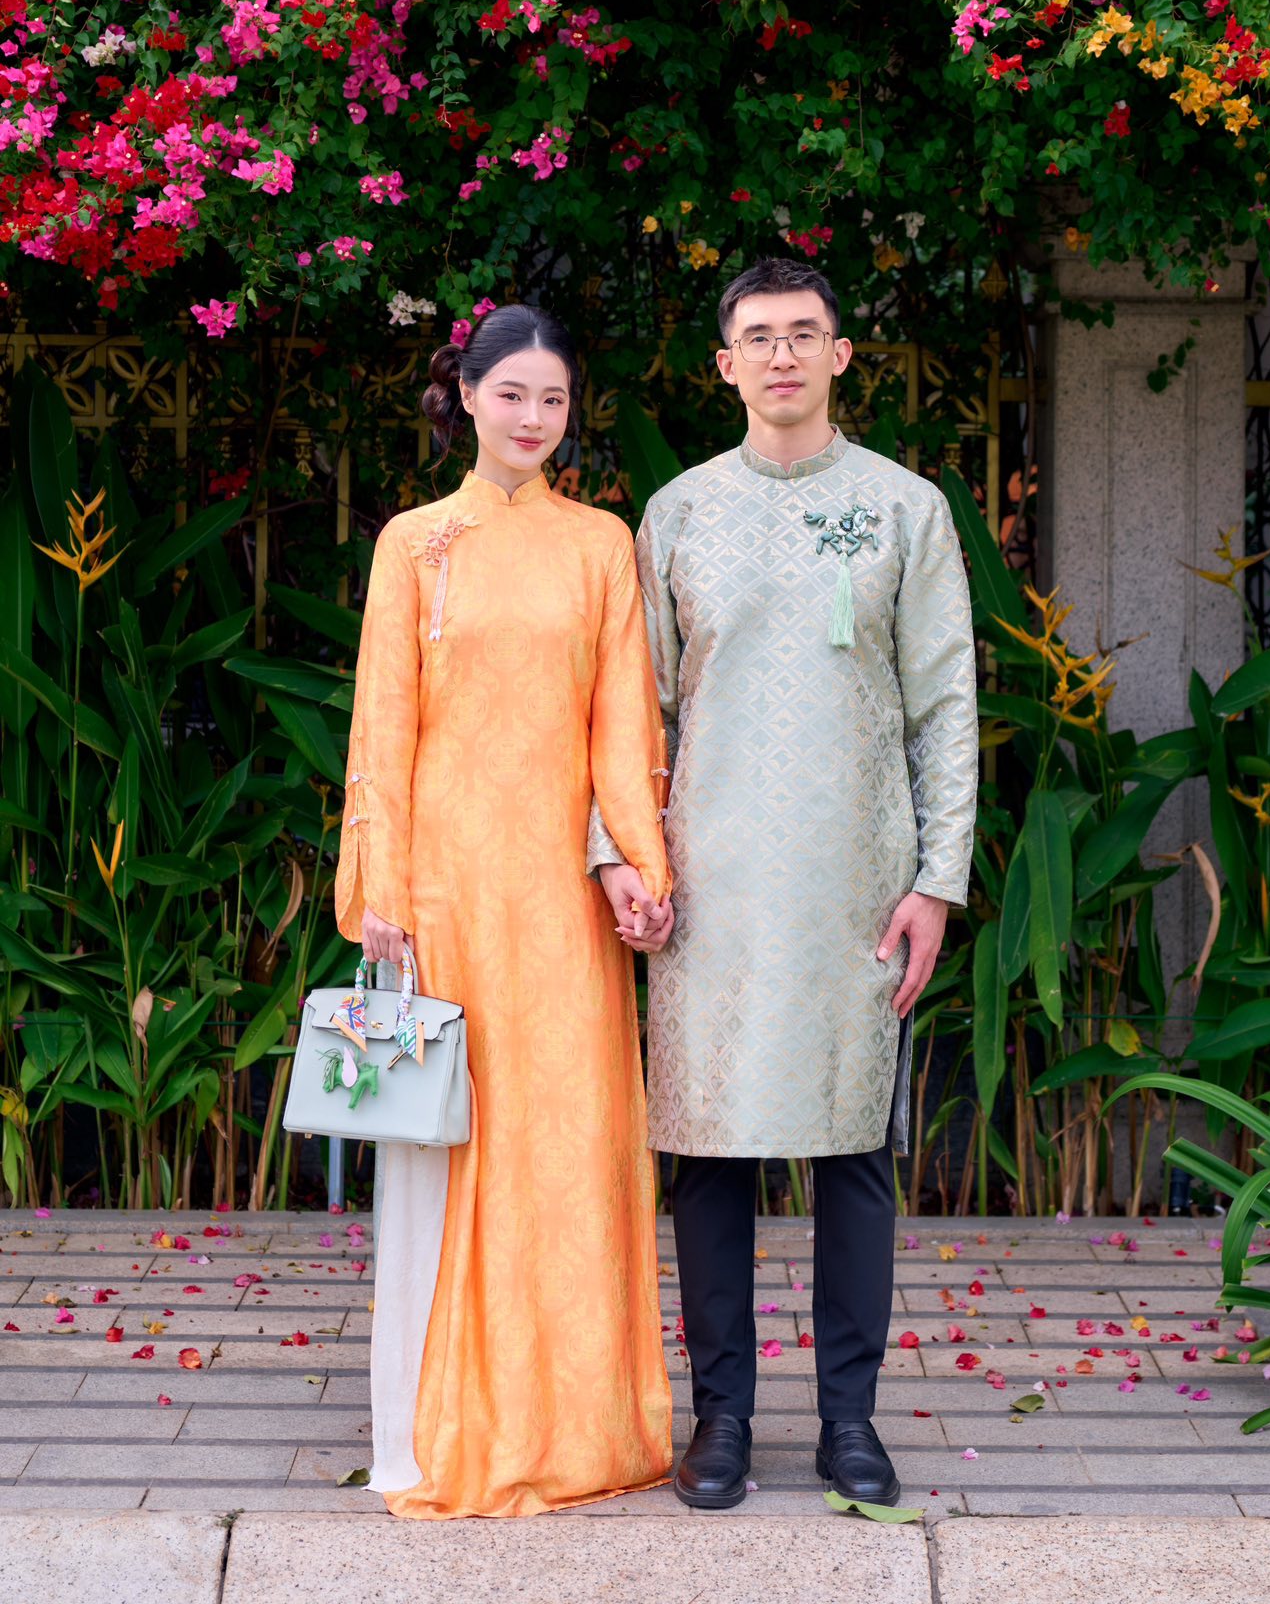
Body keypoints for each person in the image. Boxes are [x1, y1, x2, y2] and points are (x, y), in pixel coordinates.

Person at [590, 256, 978, 1513]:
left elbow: (945, 703)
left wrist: (937, 879)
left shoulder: (905, 507)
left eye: (803, 333)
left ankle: (848, 1422)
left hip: (857, 877)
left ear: (840, 354)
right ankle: (723, 1419)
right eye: (756, 337)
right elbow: (632, 712)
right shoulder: (678, 513)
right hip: (705, 883)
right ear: (724, 364)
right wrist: (620, 857)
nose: (781, 355)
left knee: (853, 1146)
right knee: (707, 1151)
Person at [336, 303, 676, 1520]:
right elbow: (383, 718)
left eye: (554, 398)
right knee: (456, 1141)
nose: (534, 416)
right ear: (467, 395)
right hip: (447, 890)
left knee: (568, 1140)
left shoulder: (600, 543)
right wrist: (381, 884)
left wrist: (635, 866)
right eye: (514, 393)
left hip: (562, 898)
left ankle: (581, 1420)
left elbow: (622, 722)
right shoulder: (413, 543)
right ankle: (439, 1424)